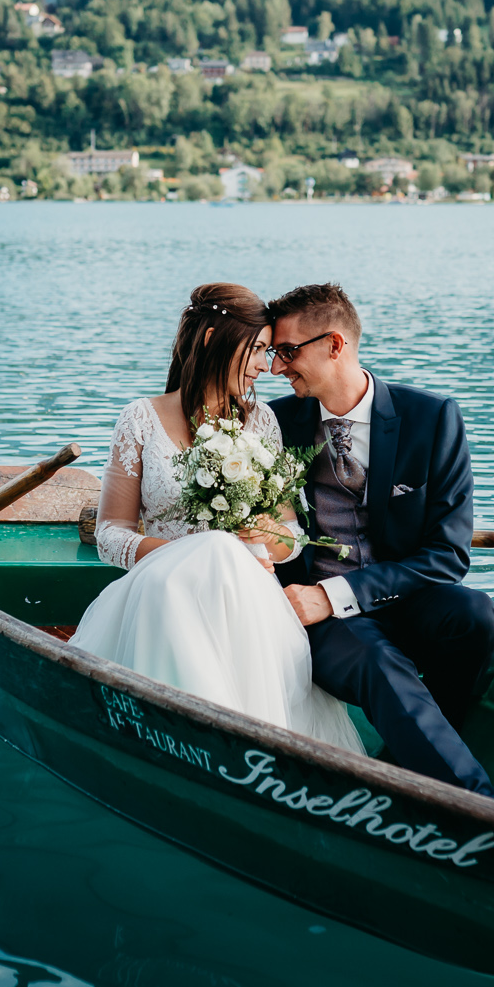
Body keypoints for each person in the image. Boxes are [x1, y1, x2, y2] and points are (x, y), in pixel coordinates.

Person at [69, 283, 366, 753]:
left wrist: (271, 536)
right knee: (211, 551)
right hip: (161, 590)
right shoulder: (139, 419)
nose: (265, 367)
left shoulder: (263, 422)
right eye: (258, 350)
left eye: (271, 352)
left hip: (247, 603)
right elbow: (109, 536)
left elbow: (289, 536)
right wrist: (194, 556)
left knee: (225, 552)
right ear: (212, 340)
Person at [264, 282, 494, 799]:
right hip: (313, 613)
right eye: (273, 354)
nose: (278, 367)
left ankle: (411, 764)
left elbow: (449, 554)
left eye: (287, 351)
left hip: (399, 597)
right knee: (377, 660)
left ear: (334, 345)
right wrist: (316, 596)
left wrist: (337, 594)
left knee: (476, 617)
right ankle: (481, 804)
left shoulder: (431, 419)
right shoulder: (276, 425)